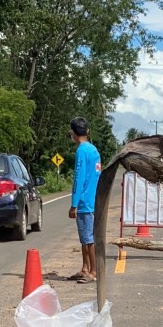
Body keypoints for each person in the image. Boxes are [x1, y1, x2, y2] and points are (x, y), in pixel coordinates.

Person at [67, 117, 101, 283]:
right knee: (85, 237)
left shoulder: (81, 151)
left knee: (88, 239)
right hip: (92, 198)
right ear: (87, 131)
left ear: (73, 133)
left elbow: (78, 178)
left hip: (84, 202)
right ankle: (85, 268)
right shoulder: (93, 150)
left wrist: (74, 204)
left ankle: (93, 271)